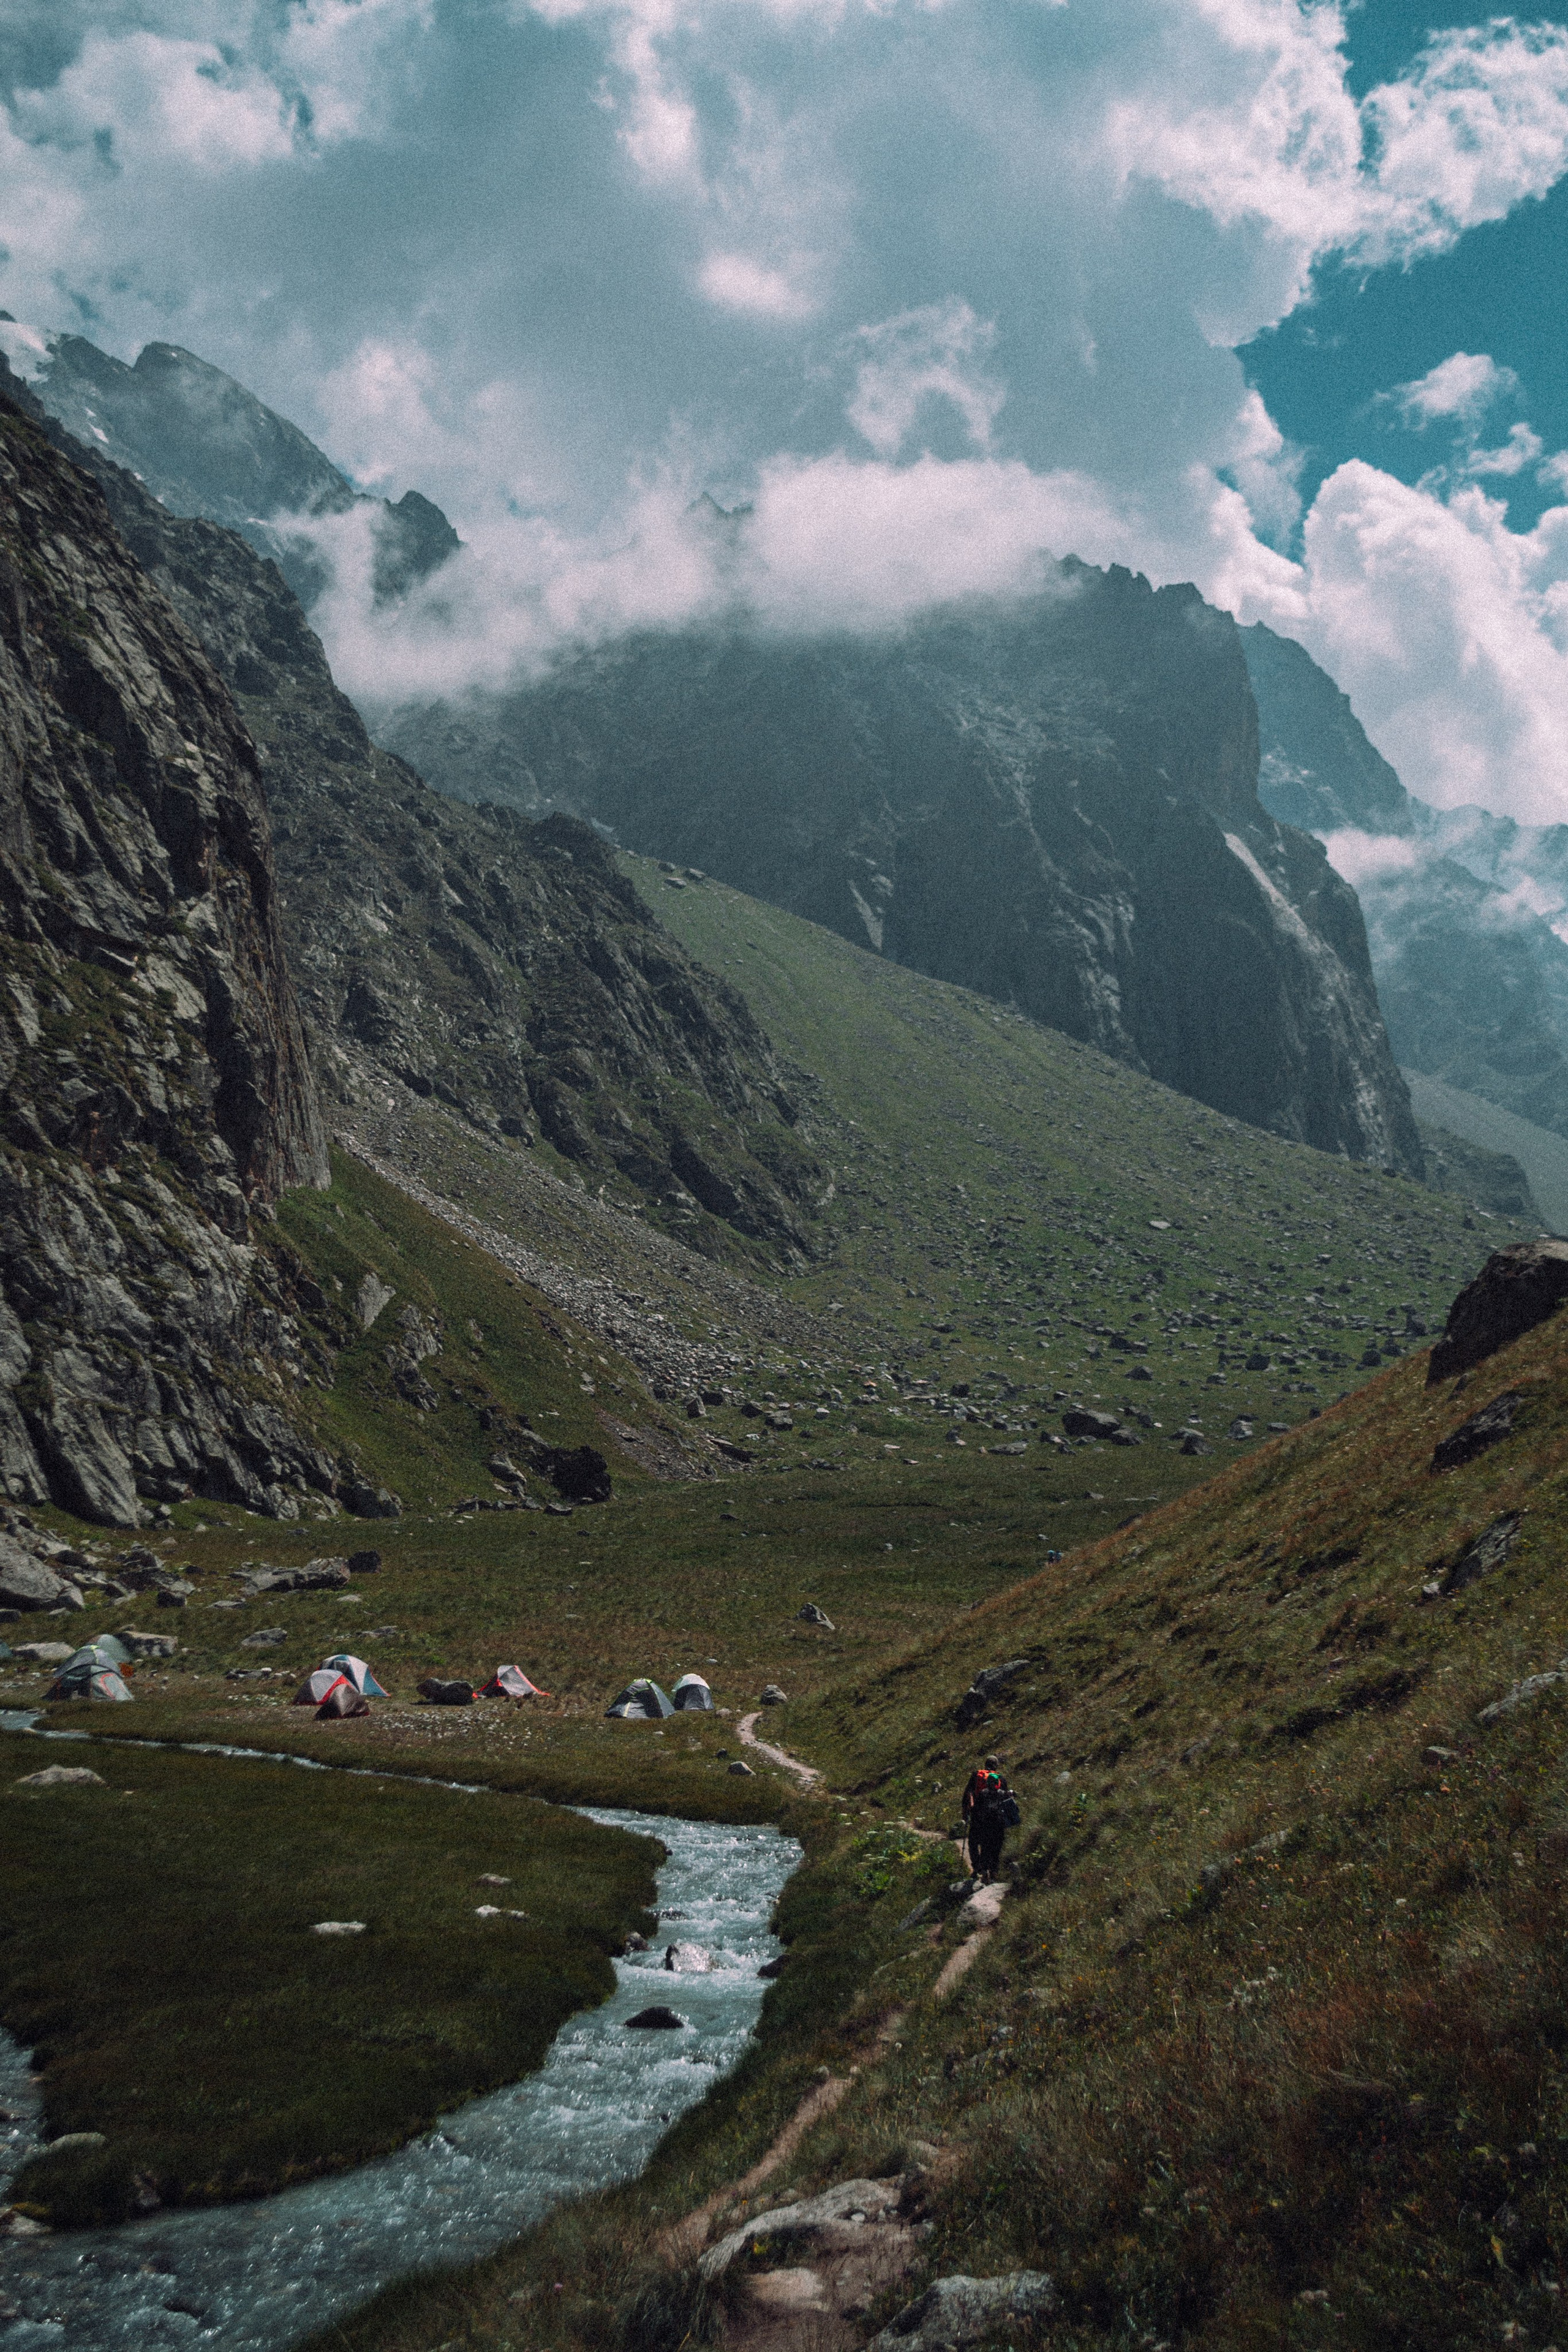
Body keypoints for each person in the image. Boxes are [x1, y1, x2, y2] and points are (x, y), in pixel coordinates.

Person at [962, 1753, 1014, 1883]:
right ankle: (993, 1871)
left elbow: (968, 1794)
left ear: (985, 1765)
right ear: (996, 1766)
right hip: (997, 1819)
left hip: (978, 1817)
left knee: (974, 1843)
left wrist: (966, 1813)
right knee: (994, 1844)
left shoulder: (976, 1775)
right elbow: (1006, 1801)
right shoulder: (1001, 1779)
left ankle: (977, 1868)